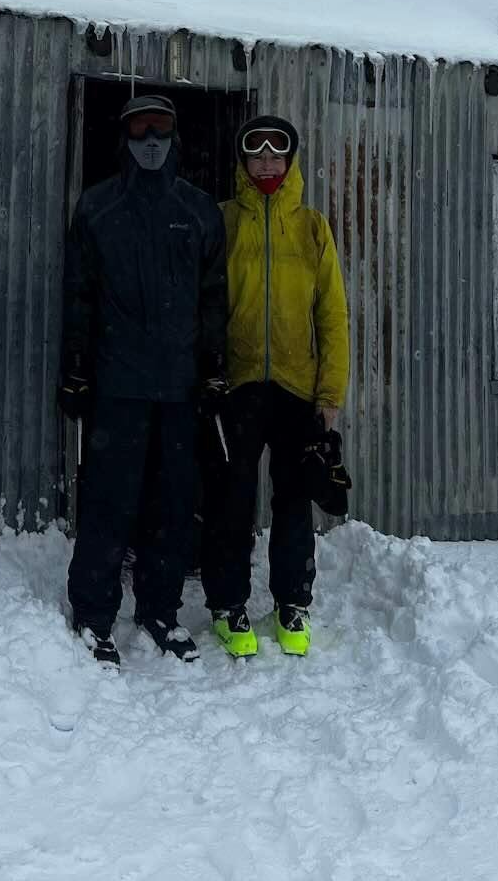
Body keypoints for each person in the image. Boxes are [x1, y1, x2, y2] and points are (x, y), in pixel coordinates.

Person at [60, 93, 227, 666]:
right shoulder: (99, 208)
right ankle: (93, 613)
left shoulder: (200, 209)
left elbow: (213, 299)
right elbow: (78, 295)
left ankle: (160, 608)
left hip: (180, 389)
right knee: (110, 502)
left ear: (176, 138)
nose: (151, 140)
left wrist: (214, 369)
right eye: (139, 129)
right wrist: (76, 369)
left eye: (161, 129)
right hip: (118, 386)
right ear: (124, 138)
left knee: (176, 505)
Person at [202, 113, 349, 658]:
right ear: (243, 162)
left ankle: (293, 601)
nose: (266, 163)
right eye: (256, 153)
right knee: (231, 500)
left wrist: (329, 396)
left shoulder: (312, 227)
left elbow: (332, 314)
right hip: (238, 387)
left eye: (276, 154)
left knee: (292, 501)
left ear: (290, 162)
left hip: (295, 388)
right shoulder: (222, 221)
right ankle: (227, 603)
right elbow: (206, 303)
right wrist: (207, 372)